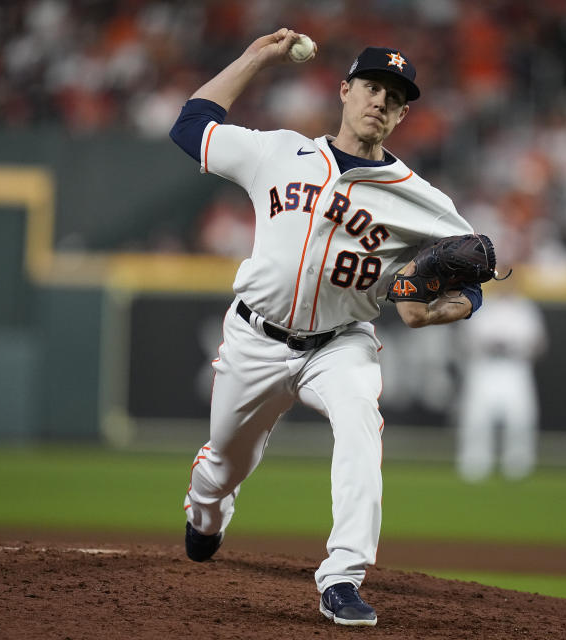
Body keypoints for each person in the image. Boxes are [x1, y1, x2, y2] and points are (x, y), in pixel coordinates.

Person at [168, 29, 484, 627]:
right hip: (255, 341)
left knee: (362, 419)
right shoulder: (278, 152)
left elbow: (472, 277)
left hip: (340, 345)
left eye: (395, 97)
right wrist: (254, 58)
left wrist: (444, 307)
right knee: (223, 467)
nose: (380, 103)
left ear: (403, 113)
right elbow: (190, 126)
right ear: (344, 91)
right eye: (371, 88)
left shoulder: (423, 202)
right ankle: (208, 510)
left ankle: (342, 576)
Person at [455, 281, 547, 482]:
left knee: (520, 418)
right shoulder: (481, 305)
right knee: (476, 419)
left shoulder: (525, 308)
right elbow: (466, 339)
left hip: (515, 366)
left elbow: (539, 342)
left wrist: (516, 347)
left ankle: (518, 465)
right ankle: (474, 464)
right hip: (484, 366)